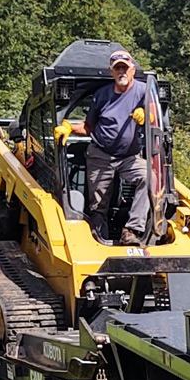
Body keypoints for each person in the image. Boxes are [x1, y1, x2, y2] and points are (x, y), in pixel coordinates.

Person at [54, 49, 150, 245]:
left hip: (129, 157)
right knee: (98, 204)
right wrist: (69, 127)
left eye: (125, 67)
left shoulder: (143, 92)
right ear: (111, 72)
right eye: (117, 69)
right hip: (101, 155)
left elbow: (156, 117)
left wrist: (147, 115)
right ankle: (99, 240)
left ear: (132, 69)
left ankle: (132, 230)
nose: (121, 72)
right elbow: (89, 127)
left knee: (149, 178)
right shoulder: (102, 95)